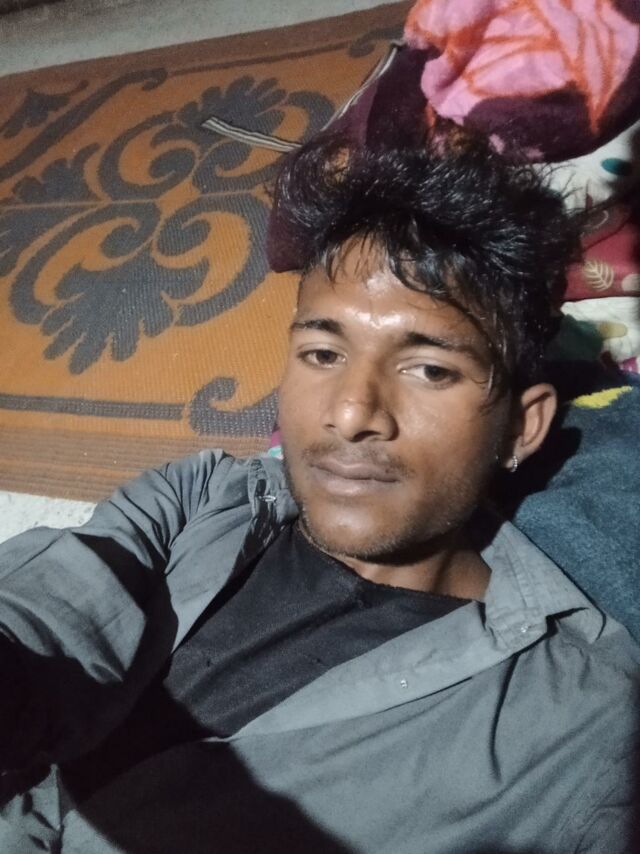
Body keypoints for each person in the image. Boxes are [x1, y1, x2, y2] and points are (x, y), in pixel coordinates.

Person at [1, 131, 638, 854]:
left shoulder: (572, 728)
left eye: (430, 370)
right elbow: (47, 607)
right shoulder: (203, 497)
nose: (351, 412)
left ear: (521, 428)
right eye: (323, 353)